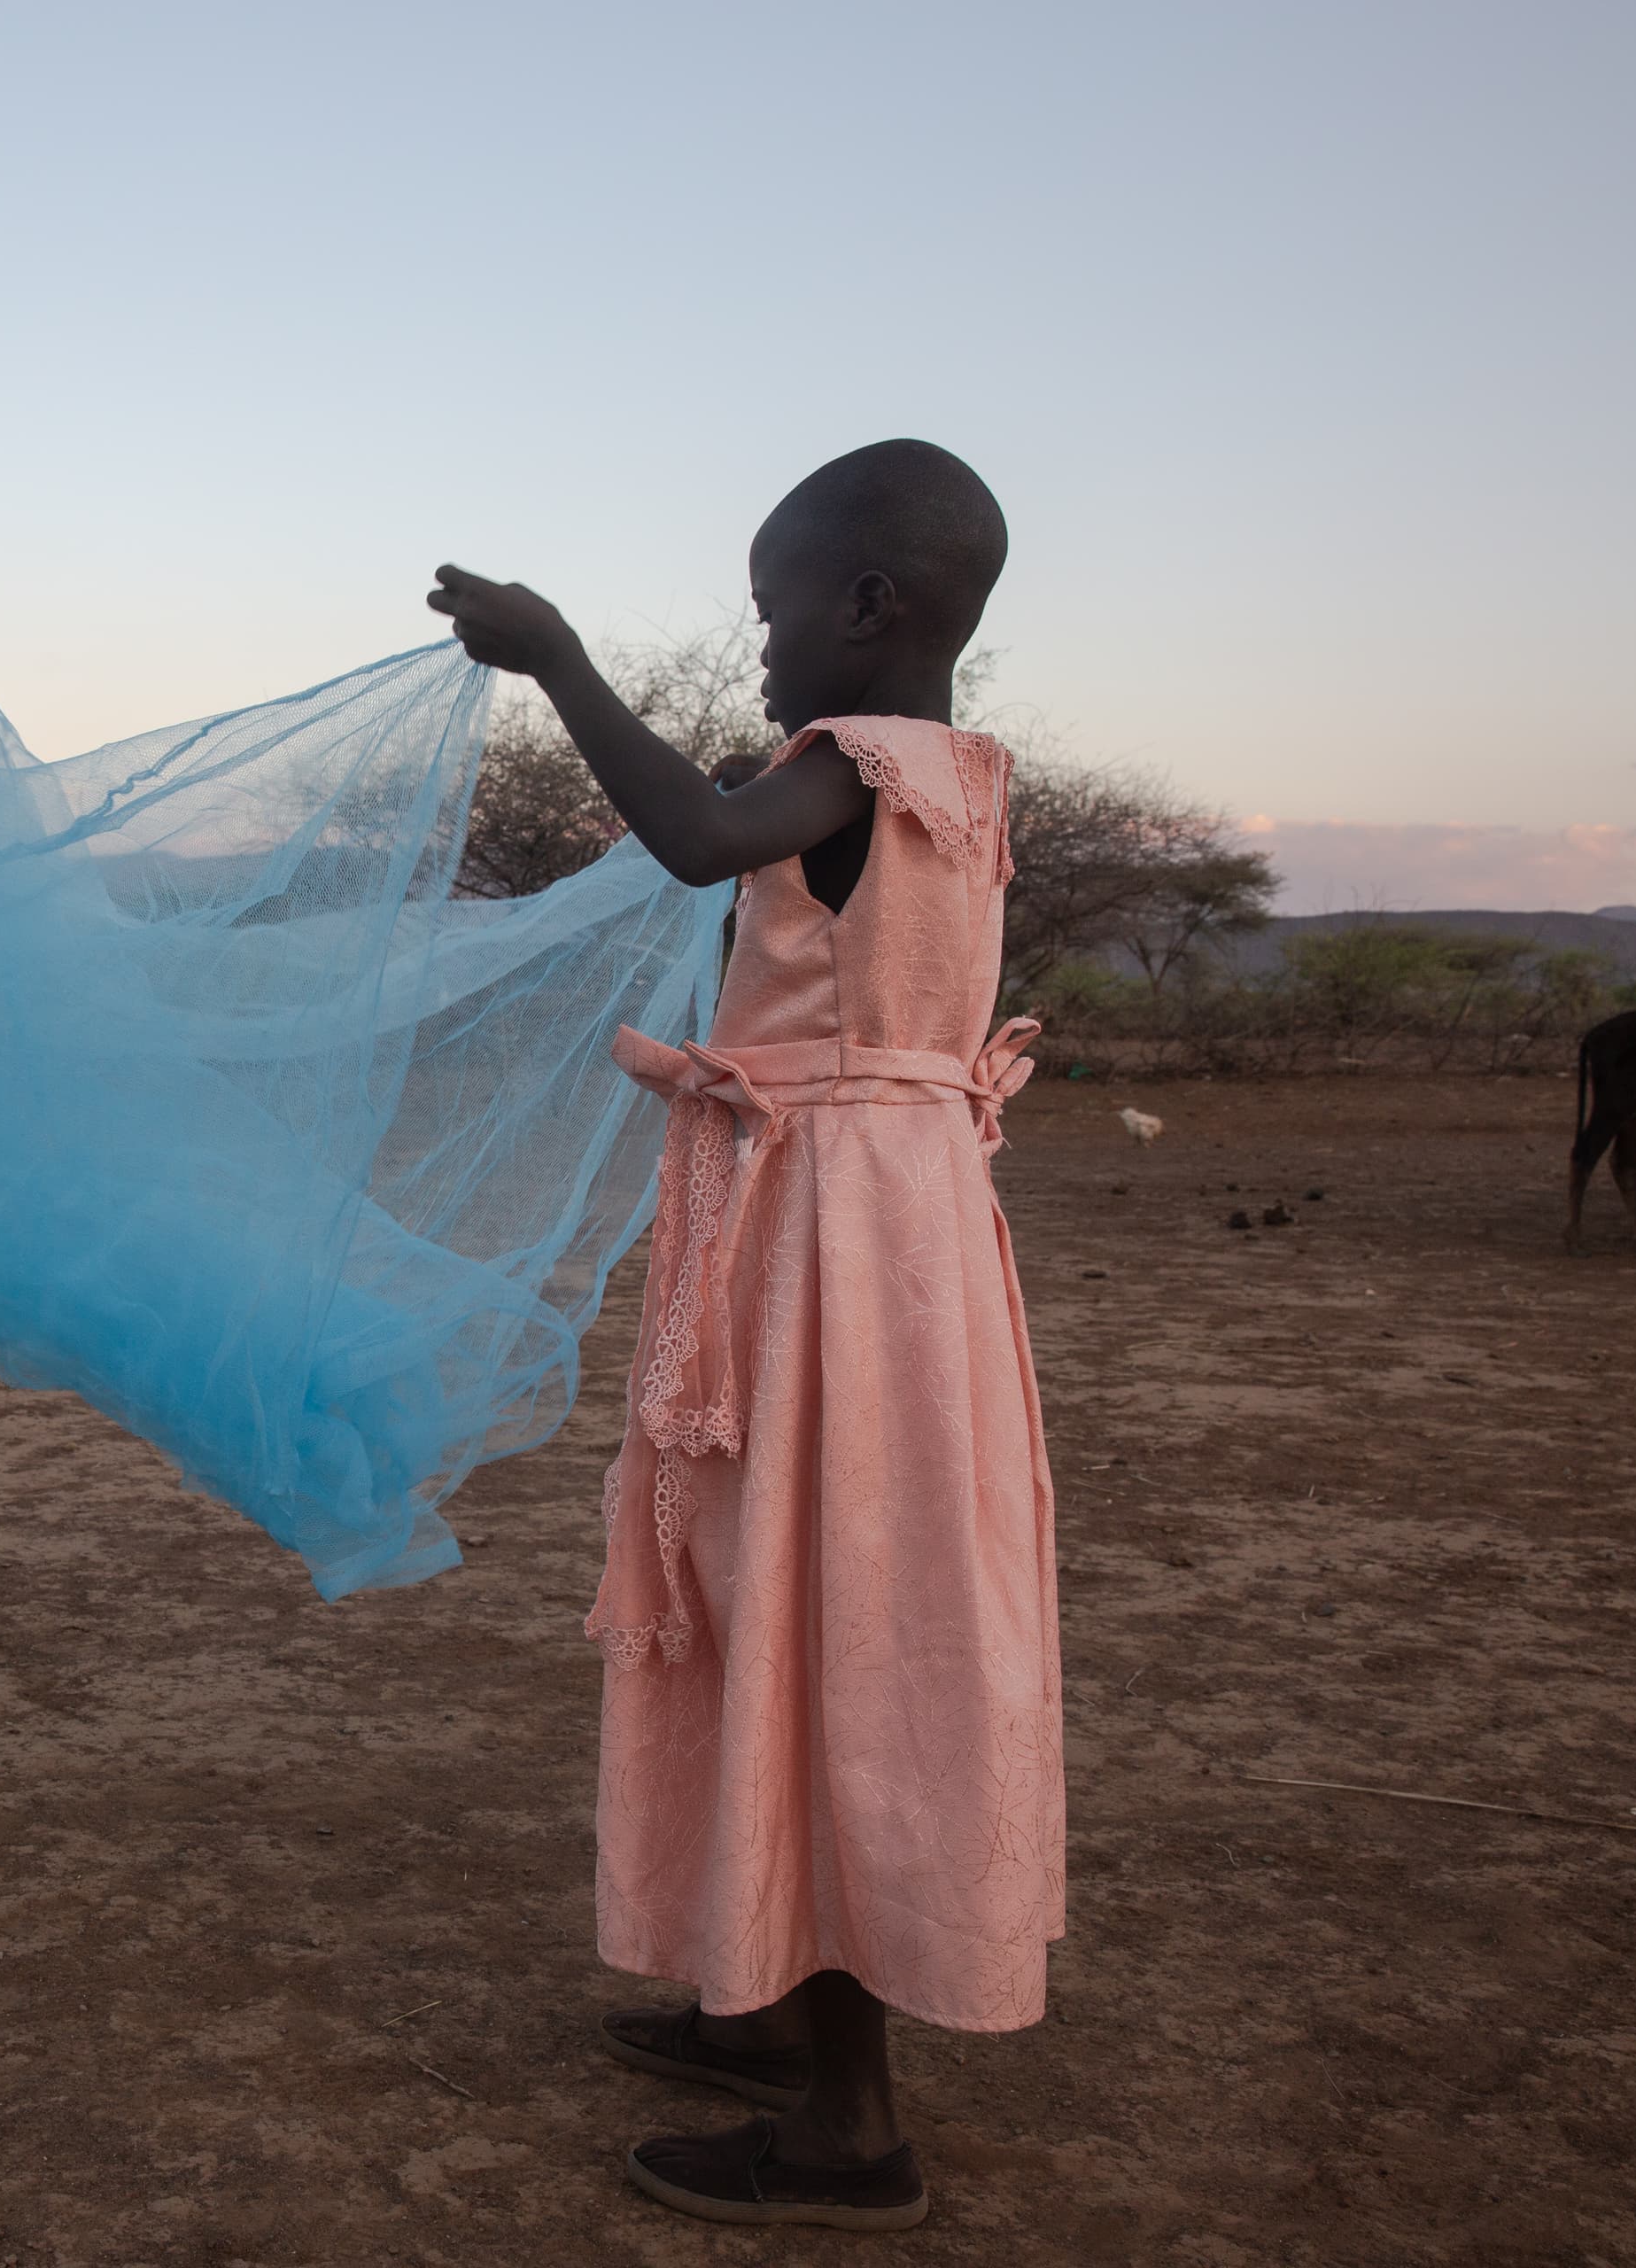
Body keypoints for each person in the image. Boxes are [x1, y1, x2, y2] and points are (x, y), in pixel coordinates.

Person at [428, 439, 1058, 2231]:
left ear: (874, 606)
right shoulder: (965, 776)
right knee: (804, 1588)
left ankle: (847, 2124)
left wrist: (552, 654)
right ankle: (764, 1992)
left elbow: (703, 836)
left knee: (833, 1611)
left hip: (833, 1246)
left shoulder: (846, 767)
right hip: (891, 1228)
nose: (763, 645)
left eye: (777, 608)